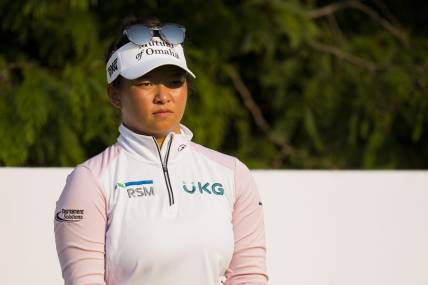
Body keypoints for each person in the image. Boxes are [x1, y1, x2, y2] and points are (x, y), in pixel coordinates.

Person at [54, 16, 268, 285]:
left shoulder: (232, 173)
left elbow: (249, 277)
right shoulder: (89, 180)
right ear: (115, 95)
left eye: (175, 82)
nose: (163, 95)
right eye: (145, 83)